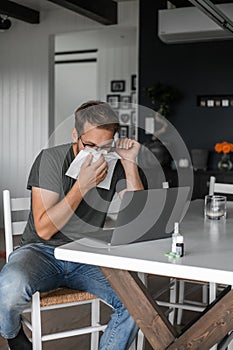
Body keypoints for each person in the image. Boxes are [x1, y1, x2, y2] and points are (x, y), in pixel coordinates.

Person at [0, 100, 145, 350]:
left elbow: (138, 219)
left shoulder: (115, 163)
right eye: (89, 145)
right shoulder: (51, 160)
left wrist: (130, 164)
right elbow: (45, 229)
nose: (97, 154)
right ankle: (12, 334)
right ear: (75, 135)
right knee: (10, 287)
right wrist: (81, 186)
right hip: (41, 251)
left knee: (137, 304)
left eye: (105, 147)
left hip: (88, 252)